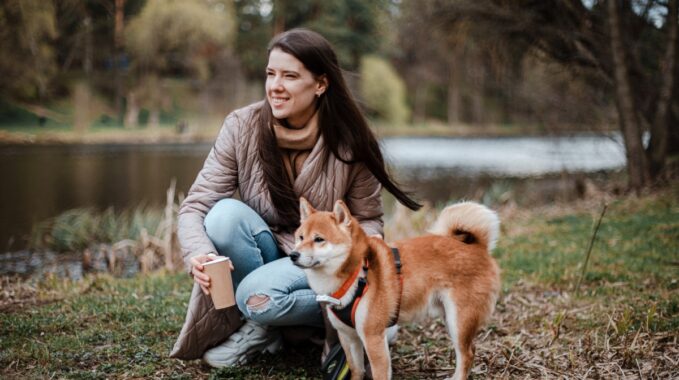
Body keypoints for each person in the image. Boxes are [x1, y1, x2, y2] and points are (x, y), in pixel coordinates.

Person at [169, 28, 420, 368]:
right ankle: (268, 329)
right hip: (270, 251)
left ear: (320, 84)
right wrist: (200, 253)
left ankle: (360, 315)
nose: (275, 86)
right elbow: (196, 205)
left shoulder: (352, 142)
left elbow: (369, 218)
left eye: (290, 76)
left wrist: (368, 244)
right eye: (271, 74)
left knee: (256, 298)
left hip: (326, 260)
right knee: (223, 216)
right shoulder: (240, 127)